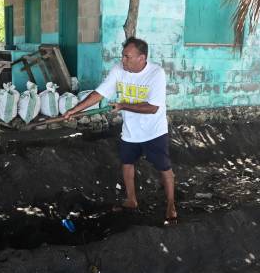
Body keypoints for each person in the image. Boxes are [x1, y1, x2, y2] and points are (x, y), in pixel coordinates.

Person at [64, 37, 177, 222]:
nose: (123, 60)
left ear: (142, 58)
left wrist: (123, 106)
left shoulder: (156, 73)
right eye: (122, 56)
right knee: (127, 163)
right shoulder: (119, 69)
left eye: (127, 57)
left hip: (154, 131)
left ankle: (171, 204)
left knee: (164, 168)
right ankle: (131, 200)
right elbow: (99, 93)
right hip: (131, 130)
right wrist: (75, 110)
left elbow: (153, 108)